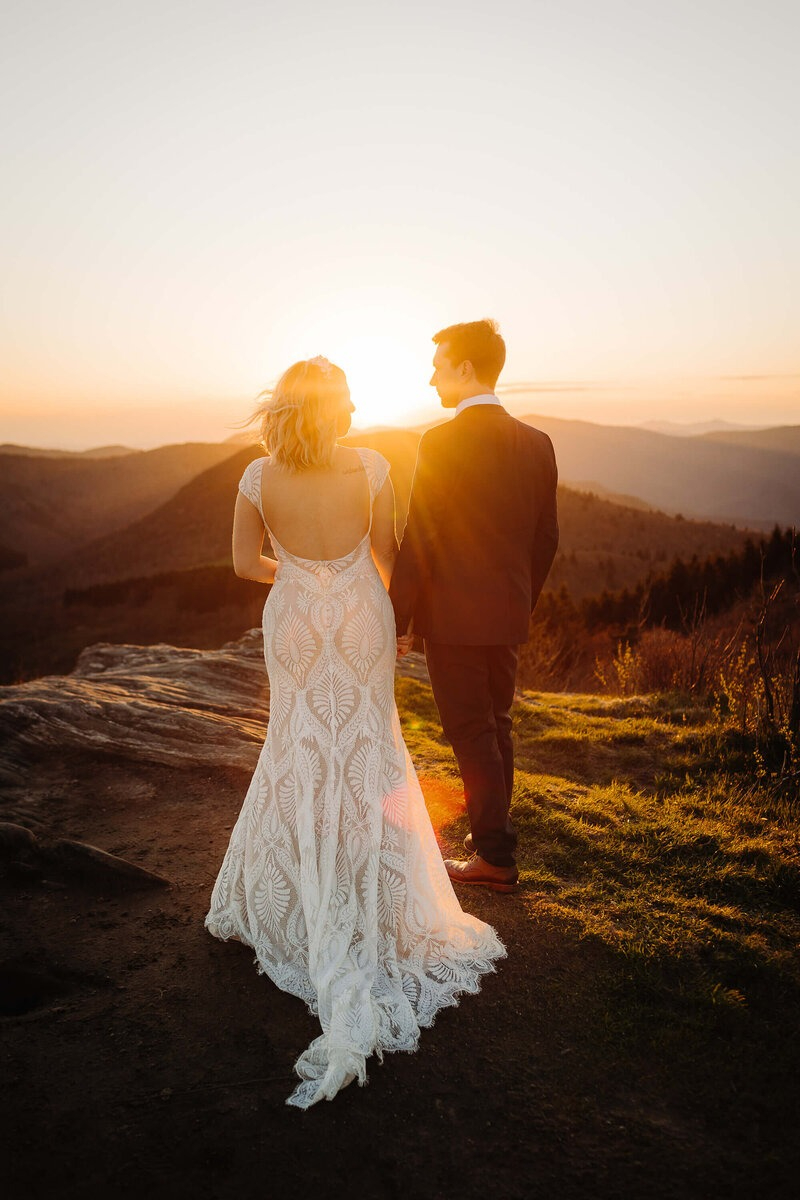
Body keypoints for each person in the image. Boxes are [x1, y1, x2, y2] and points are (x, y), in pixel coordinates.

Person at [204, 356, 505, 1110]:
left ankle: (301, 898)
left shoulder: (255, 476)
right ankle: (376, 900)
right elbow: (389, 555)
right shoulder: (371, 465)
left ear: (281, 410)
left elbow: (244, 565)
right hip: (364, 617)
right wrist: (375, 603)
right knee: (370, 747)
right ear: (340, 407)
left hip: (297, 619)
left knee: (297, 746)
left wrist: (304, 578)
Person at [390, 320, 559, 892]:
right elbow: (546, 539)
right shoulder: (538, 442)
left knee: (471, 731)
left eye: (439, 365)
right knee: (497, 725)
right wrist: (519, 599)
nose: (432, 376)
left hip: (455, 620)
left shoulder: (440, 442)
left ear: (465, 369)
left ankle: (493, 858)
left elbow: (420, 538)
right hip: (507, 613)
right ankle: (494, 840)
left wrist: (399, 620)